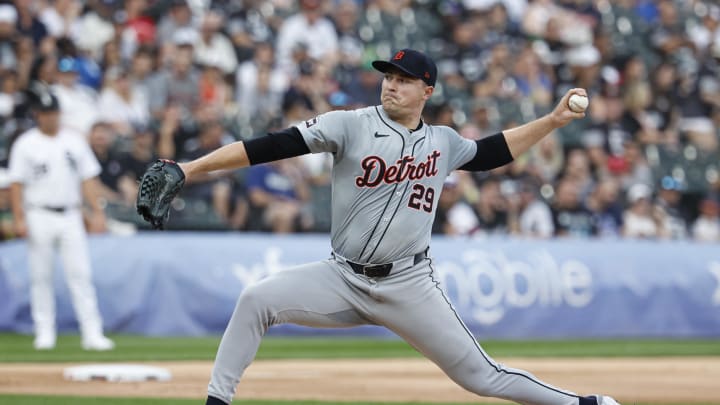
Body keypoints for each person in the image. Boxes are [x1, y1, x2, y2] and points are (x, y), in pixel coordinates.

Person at [173, 49, 618, 405]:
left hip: (409, 283)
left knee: (481, 377)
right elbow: (270, 145)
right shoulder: (350, 124)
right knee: (256, 300)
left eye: (404, 79)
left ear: (427, 90)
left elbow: (490, 153)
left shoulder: (442, 141)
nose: (392, 85)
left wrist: (554, 121)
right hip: (342, 277)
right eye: (388, 76)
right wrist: (191, 168)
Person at [7, 85, 114, 351]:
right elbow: (16, 184)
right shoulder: (26, 143)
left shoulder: (73, 141)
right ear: (37, 114)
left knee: (80, 274)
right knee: (40, 276)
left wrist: (97, 212)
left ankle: (92, 333)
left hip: (70, 213)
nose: (51, 117)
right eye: (46, 112)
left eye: (54, 111)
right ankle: (44, 332)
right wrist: (19, 217)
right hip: (38, 212)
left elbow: (88, 178)